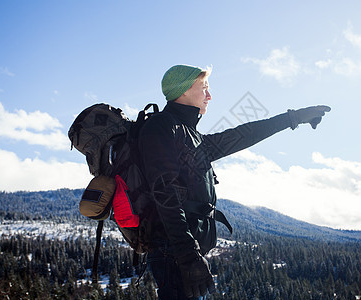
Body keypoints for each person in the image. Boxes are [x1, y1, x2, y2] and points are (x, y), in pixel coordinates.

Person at [138, 64, 331, 299]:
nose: (210, 95)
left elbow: (244, 135)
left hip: (182, 251)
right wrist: (188, 256)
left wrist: (294, 117)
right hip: (174, 253)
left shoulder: (191, 135)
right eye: (204, 87)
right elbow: (164, 194)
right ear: (184, 90)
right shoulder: (162, 127)